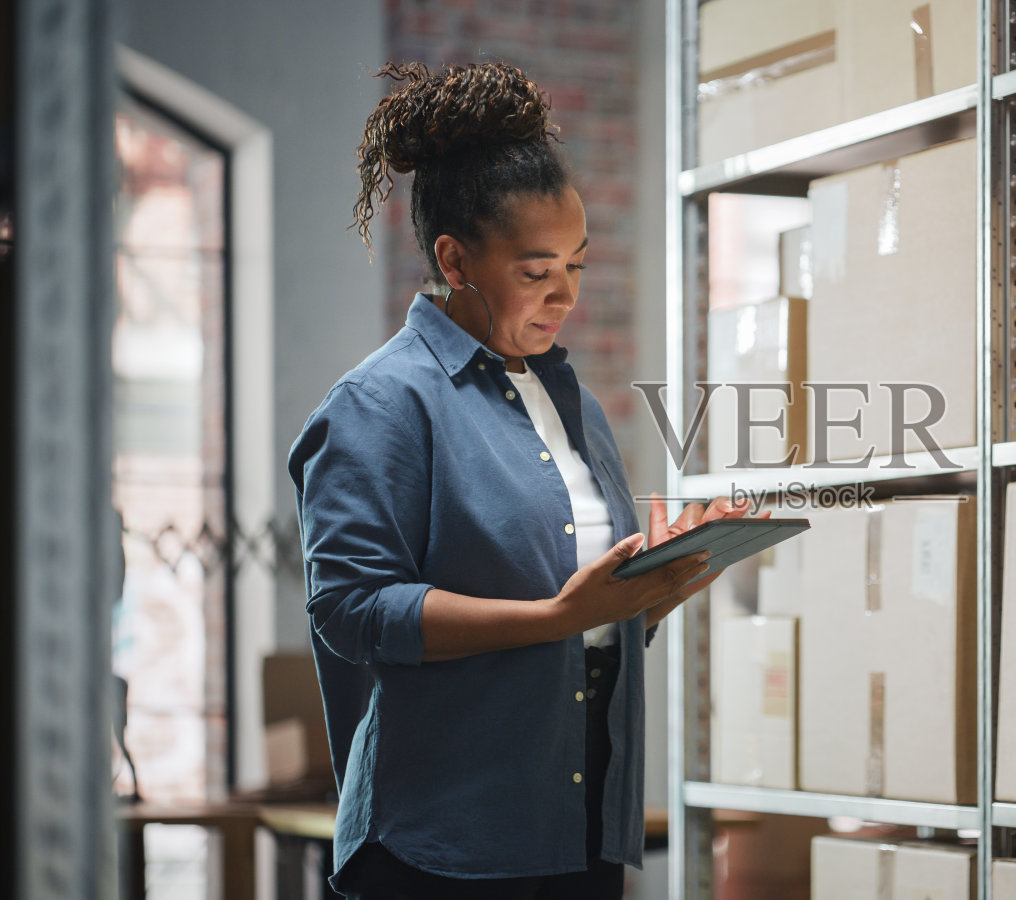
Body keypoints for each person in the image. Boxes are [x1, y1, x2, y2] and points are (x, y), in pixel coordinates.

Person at [289, 61, 756, 899]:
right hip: (444, 843)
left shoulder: (568, 401)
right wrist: (558, 616)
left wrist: (645, 592)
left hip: (577, 828)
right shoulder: (381, 404)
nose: (566, 295)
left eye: (577, 265)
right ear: (455, 259)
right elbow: (351, 609)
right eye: (538, 272)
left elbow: (580, 620)